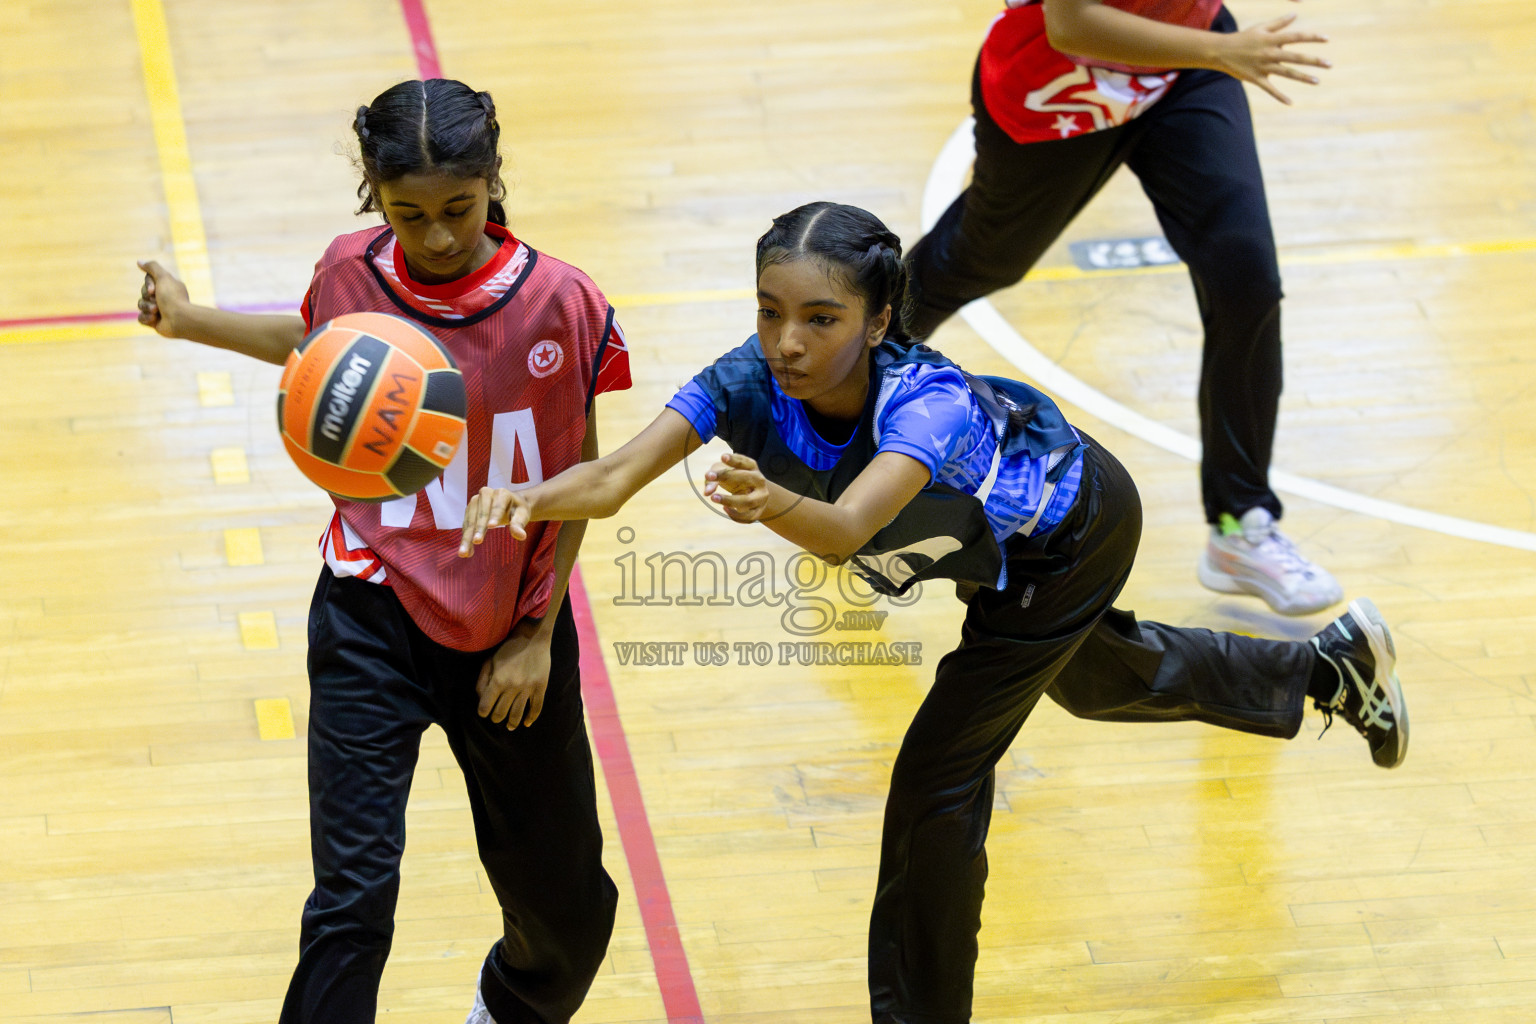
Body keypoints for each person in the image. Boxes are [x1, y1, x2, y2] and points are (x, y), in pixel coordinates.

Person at [458, 202, 1408, 1024]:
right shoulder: (746, 376)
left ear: (877, 323)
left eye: (820, 318)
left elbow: (842, 530)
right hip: (994, 559)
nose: (787, 340)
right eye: (770, 310)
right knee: (1096, 681)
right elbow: (617, 474)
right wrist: (530, 496)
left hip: (1070, 533)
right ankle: (1326, 670)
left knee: (936, 783)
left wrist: (766, 503)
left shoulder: (928, 404)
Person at [136, 78, 630, 1024]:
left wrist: (534, 636)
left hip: (508, 641)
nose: (438, 235)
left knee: (567, 912)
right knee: (351, 906)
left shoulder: (562, 303)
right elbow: (320, 344)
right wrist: (191, 320)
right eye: (409, 214)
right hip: (370, 614)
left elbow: (579, 472)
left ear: (493, 184)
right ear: (374, 194)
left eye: (459, 209)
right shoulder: (348, 270)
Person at [905, 0, 1342, 615]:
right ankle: (824, 401)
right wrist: (1223, 51)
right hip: (1064, 81)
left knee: (1244, 275)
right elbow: (1073, 22)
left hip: (1182, 58)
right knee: (974, 263)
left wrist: (1213, 48)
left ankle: (1241, 522)